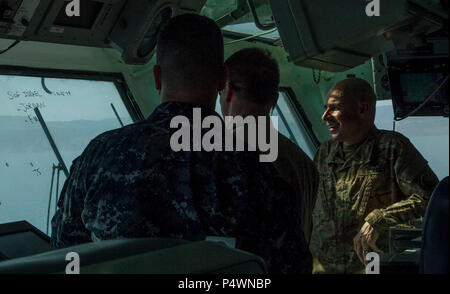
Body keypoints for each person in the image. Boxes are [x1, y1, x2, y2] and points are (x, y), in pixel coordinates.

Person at [50, 14, 312, 274]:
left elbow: (66, 251)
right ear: (222, 79)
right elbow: (290, 266)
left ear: (157, 77)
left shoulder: (98, 154)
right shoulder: (254, 166)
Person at [310, 77, 439, 274]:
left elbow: (430, 197)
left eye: (334, 108)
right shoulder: (324, 153)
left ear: (363, 109)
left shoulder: (391, 147)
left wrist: (379, 219)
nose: (325, 116)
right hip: (323, 266)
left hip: (371, 266)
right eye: (325, 108)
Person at [220, 47, 319, 244]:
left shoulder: (223, 152)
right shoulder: (304, 162)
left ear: (228, 89)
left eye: (220, 92)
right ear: (274, 96)